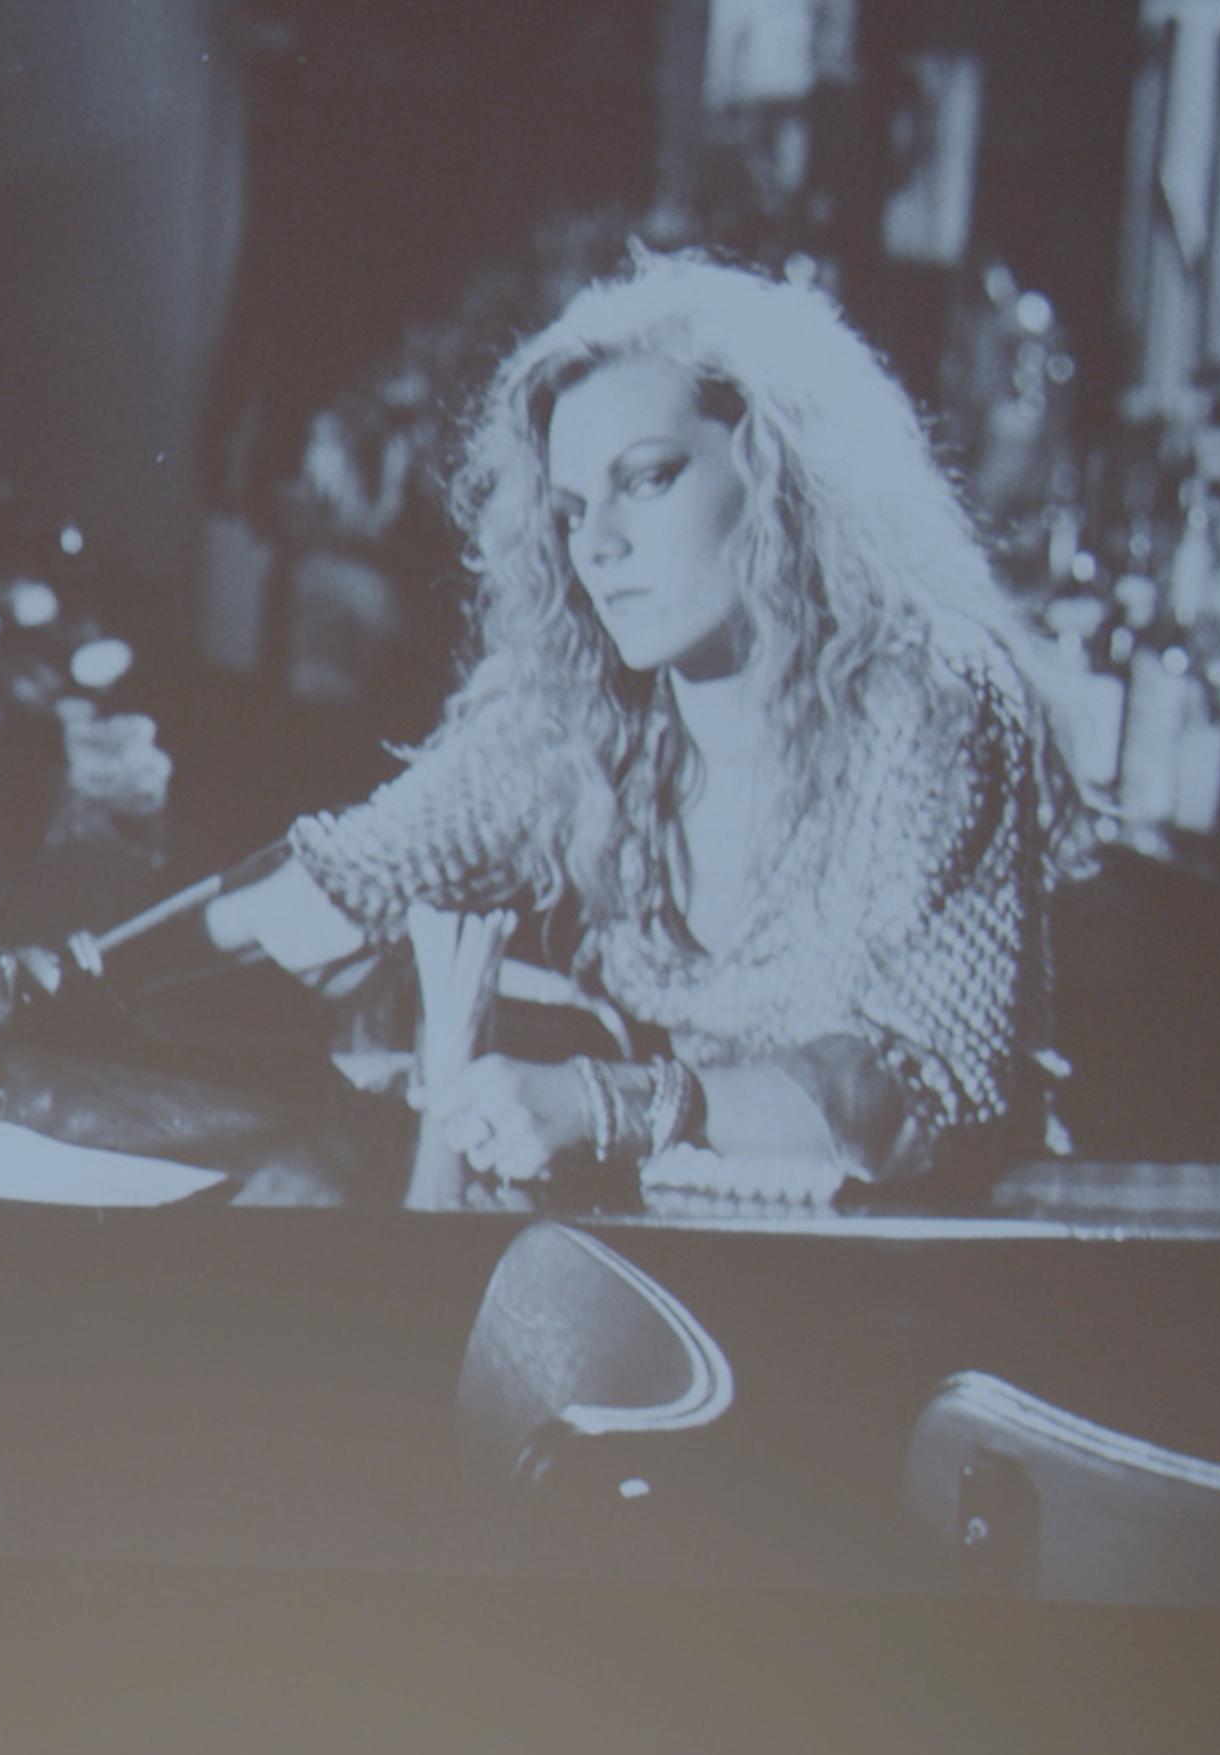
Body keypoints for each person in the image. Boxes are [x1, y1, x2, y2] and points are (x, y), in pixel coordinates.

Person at [172, 251, 1069, 1190]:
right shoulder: (586, 706)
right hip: (702, 1245)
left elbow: (927, 1091)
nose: (597, 547)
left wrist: (607, 1102)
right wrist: (61, 979)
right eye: (569, 511)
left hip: (942, 1261)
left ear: (776, 471)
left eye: (646, 480)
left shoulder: (930, 698)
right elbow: (347, 872)